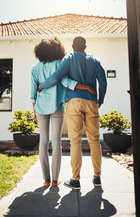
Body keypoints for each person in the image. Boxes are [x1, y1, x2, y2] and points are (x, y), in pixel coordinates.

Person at [39, 36, 107, 189]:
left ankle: (75, 180)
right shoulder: (95, 61)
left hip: (74, 102)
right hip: (91, 102)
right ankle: (97, 177)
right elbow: (103, 81)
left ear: (72, 46)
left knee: (75, 141)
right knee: (94, 140)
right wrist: (100, 99)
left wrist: (42, 86)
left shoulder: (68, 58)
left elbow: (56, 77)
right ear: (85, 46)